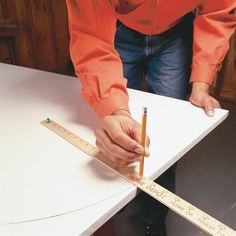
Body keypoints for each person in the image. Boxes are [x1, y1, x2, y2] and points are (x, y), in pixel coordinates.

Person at [65, 1, 236, 235]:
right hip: (117, 29)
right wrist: (116, 110)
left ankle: (153, 218)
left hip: (177, 33)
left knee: (166, 133)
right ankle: (112, 204)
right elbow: (91, 36)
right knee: (118, 132)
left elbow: (218, 12)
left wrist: (201, 85)